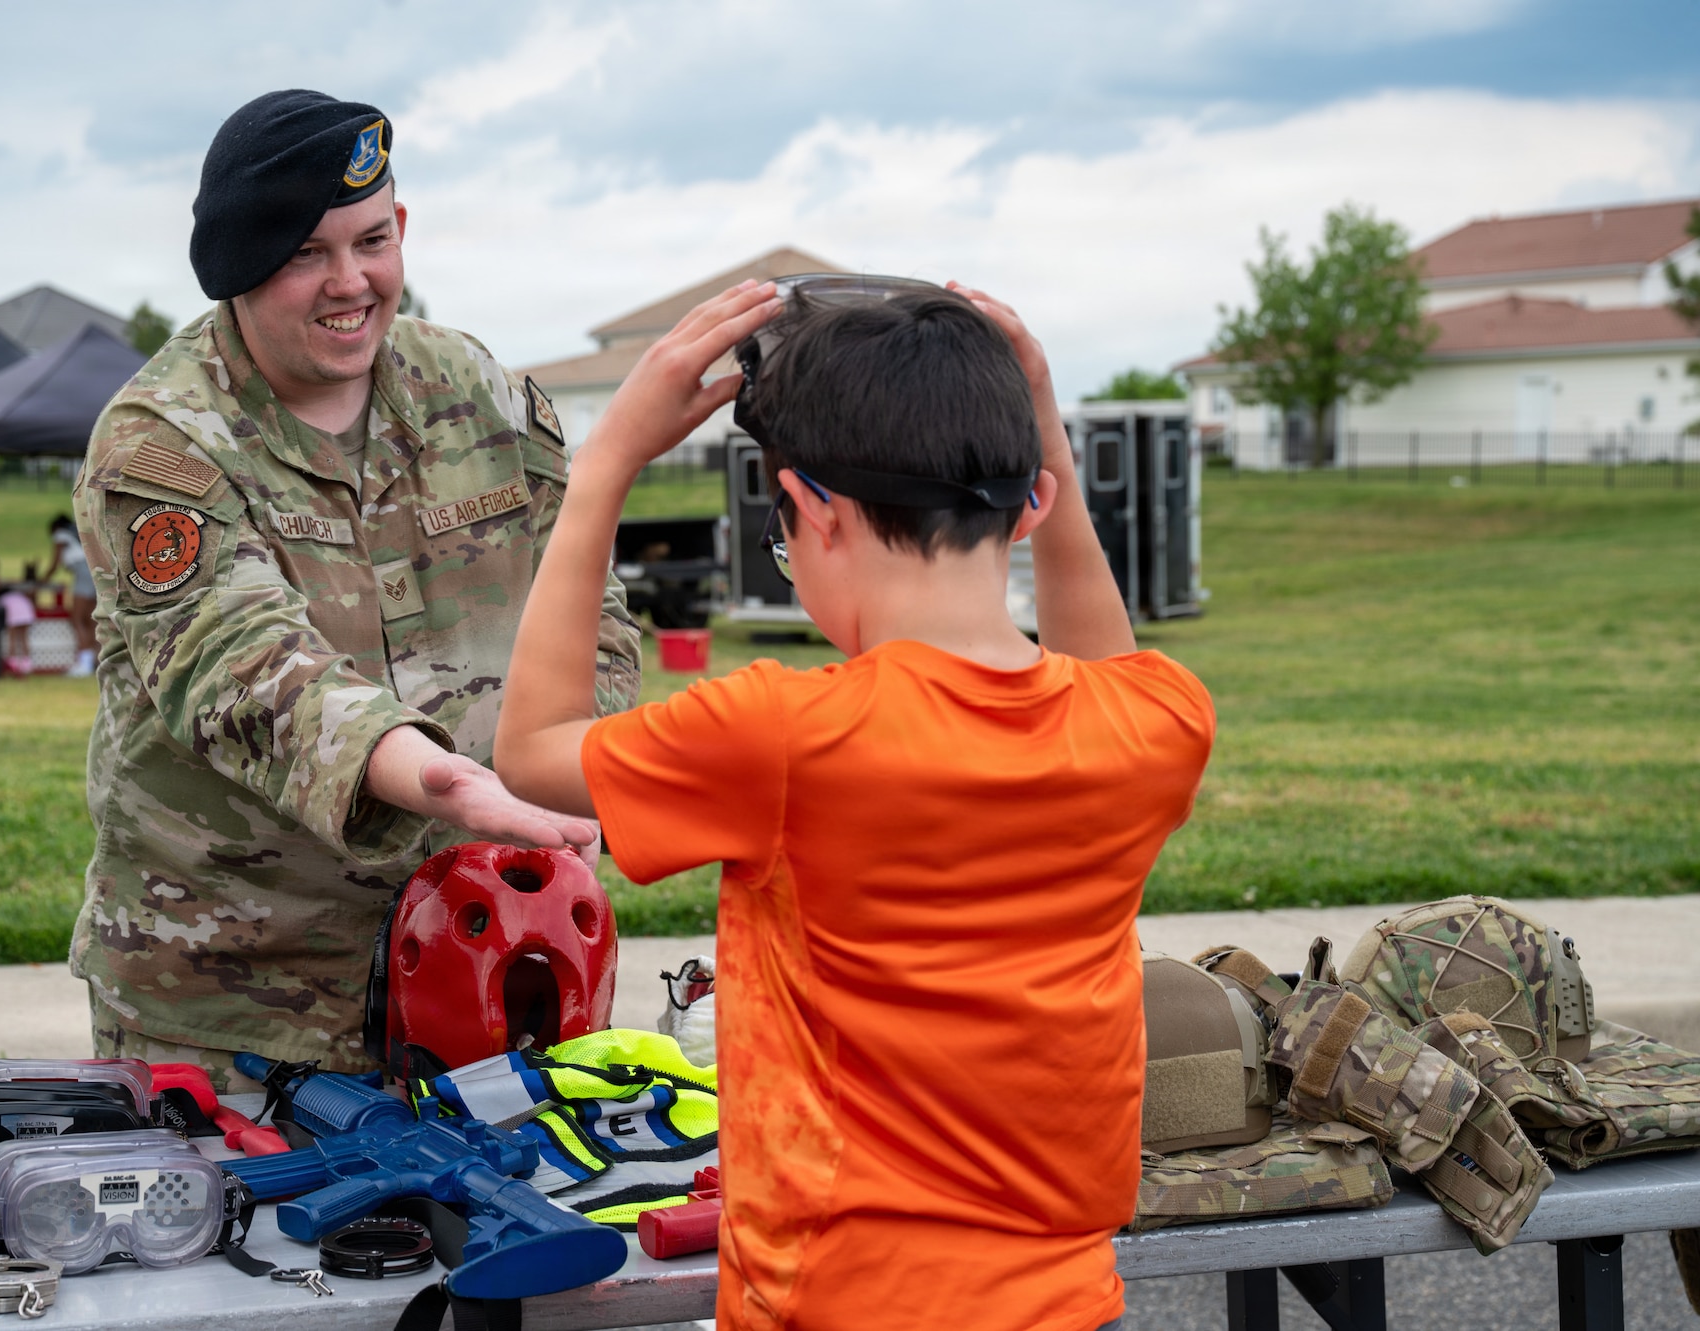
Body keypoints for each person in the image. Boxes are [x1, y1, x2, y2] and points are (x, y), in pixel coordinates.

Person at [495, 279, 1215, 1331]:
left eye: (785, 542)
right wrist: (1039, 430)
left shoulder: (784, 735)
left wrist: (603, 465)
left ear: (816, 509)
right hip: (1068, 1299)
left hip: (844, 1301)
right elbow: (1098, 658)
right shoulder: (1154, 720)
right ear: (1034, 505)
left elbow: (529, 750)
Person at [70, 89, 641, 1082]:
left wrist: (566, 779)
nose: (351, 283)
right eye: (305, 254)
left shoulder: (475, 392)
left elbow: (589, 604)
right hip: (242, 1008)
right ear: (238, 266)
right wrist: (444, 778)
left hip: (502, 963)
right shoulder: (158, 446)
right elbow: (243, 668)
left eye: (371, 241)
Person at [38, 515, 97, 677]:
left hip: (83, 574)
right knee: (90, 619)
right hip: (94, 573)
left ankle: (84, 663)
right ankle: (94, 659)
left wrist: (41, 582)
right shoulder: (77, 533)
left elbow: (54, 564)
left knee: (76, 618)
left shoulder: (61, 534)